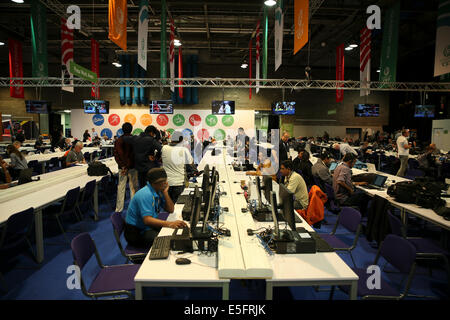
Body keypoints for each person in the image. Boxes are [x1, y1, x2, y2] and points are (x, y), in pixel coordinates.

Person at [124, 168, 187, 248]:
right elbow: (147, 220)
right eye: (162, 182)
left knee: (172, 232)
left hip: (147, 226)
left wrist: (165, 192)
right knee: (167, 241)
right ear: (154, 183)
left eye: (165, 180)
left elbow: (171, 209)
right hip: (137, 232)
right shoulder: (145, 194)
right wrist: (170, 224)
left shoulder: (158, 190)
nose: (165, 183)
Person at [161, 131, 194, 203]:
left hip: (167, 183)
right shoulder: (184, 150)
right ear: (181, 140)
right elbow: (191, 163)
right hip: (179, 182)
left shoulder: (164, 148)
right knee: (178, 207)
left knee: (167, 207)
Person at [114, 122, 139, 213]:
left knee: (121, 188)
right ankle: (133, 209)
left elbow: (117, 155)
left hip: (122, 168)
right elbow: (134, 155)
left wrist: (123, 166)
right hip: (132, 167)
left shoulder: (118, 140)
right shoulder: (135, 140)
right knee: (133, 188)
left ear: (122, 129)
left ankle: (118, 209)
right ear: (131, 129)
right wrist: (127, 166)